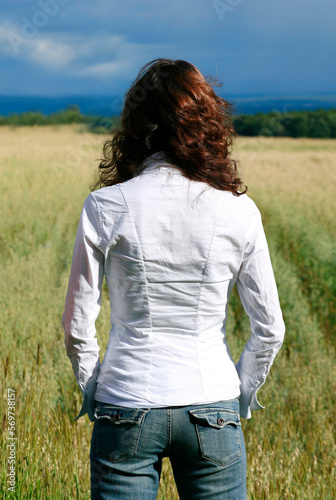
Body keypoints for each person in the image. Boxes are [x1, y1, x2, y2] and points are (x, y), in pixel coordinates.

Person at [62, 58, 285, 500]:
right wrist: (237, 394)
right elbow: (270, 329)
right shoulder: (239, 210)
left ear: (137, 125)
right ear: (207, 124)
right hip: (213, 406)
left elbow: (76, 325)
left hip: (125, 404)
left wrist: (94, 389)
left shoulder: (105, 206)